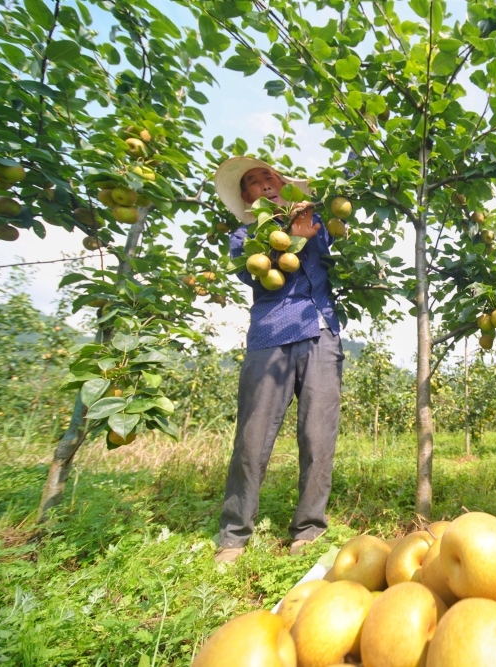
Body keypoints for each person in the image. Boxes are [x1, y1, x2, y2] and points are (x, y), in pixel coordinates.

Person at [211, 156, 345, 563]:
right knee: (253, 438)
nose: (263, 184)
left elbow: (342, 212)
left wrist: (308, 229)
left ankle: (308, 530)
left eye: (269, 177)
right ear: (246, 196)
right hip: (272, 335)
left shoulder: (312, 217)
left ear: (283, 184)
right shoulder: (243, 237)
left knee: (318, 436)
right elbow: (260, 274)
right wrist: (294, 237)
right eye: (253, 182)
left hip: (321, 333)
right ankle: (234, 535)